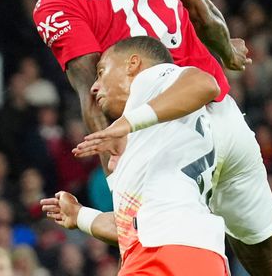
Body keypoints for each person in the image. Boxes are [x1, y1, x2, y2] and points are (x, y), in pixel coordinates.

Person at [22, 0, 272, 275]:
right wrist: (228, 53)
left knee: (160, 256)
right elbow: (205, 17)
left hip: (161, 139)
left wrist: (118, 188)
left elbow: (91, 96)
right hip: (221, 113)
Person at [41, 37, 227, 274]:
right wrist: (80, 216)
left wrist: (126, 123)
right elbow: (132, 226)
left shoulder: (151, 79)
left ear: (133, 64)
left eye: (101, 71)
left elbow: (205, 83)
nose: (94, 86)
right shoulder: (161, 134)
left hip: (163, 255)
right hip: (195, 254)